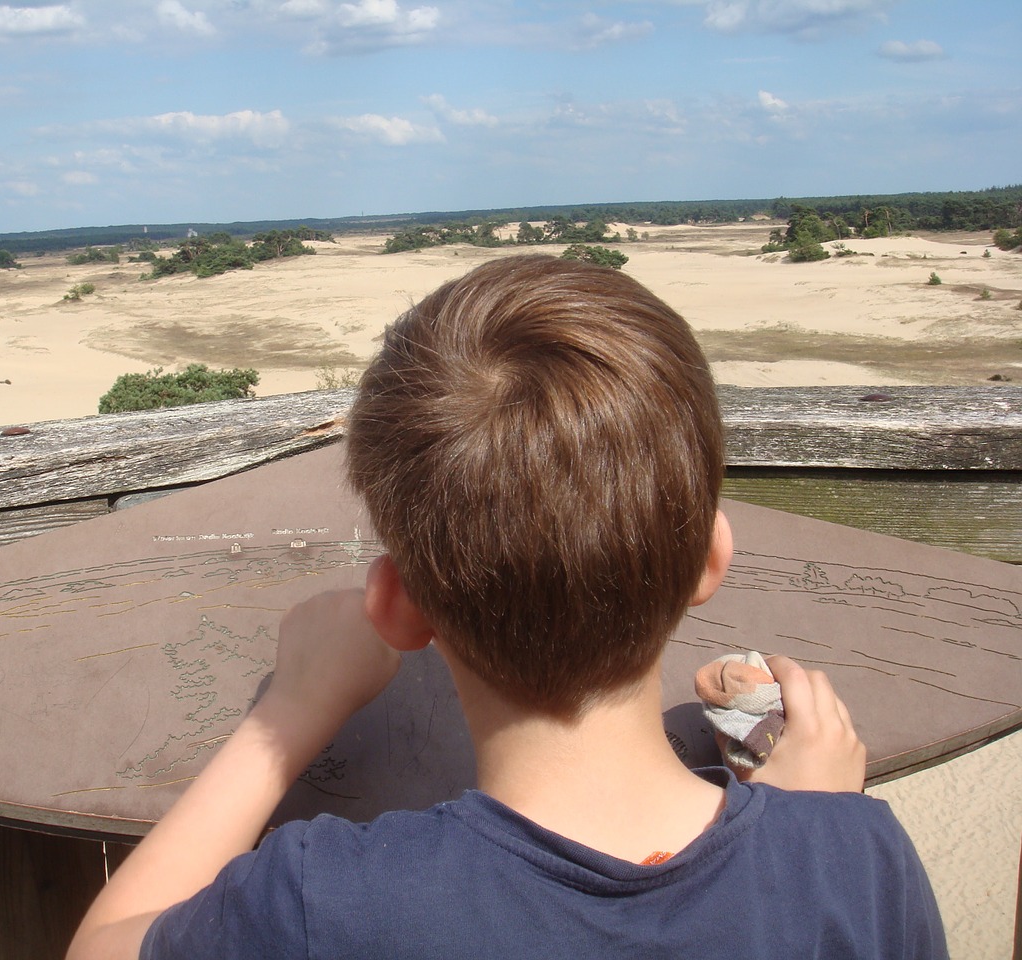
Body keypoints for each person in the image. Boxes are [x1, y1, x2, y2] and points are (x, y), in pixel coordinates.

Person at [67, 255, 946, 960]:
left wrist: (288, 714)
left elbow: (103, 947)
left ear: (398, 609)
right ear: (709, 561)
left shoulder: (323, 905)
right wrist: (812, 827)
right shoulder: (859, 861)